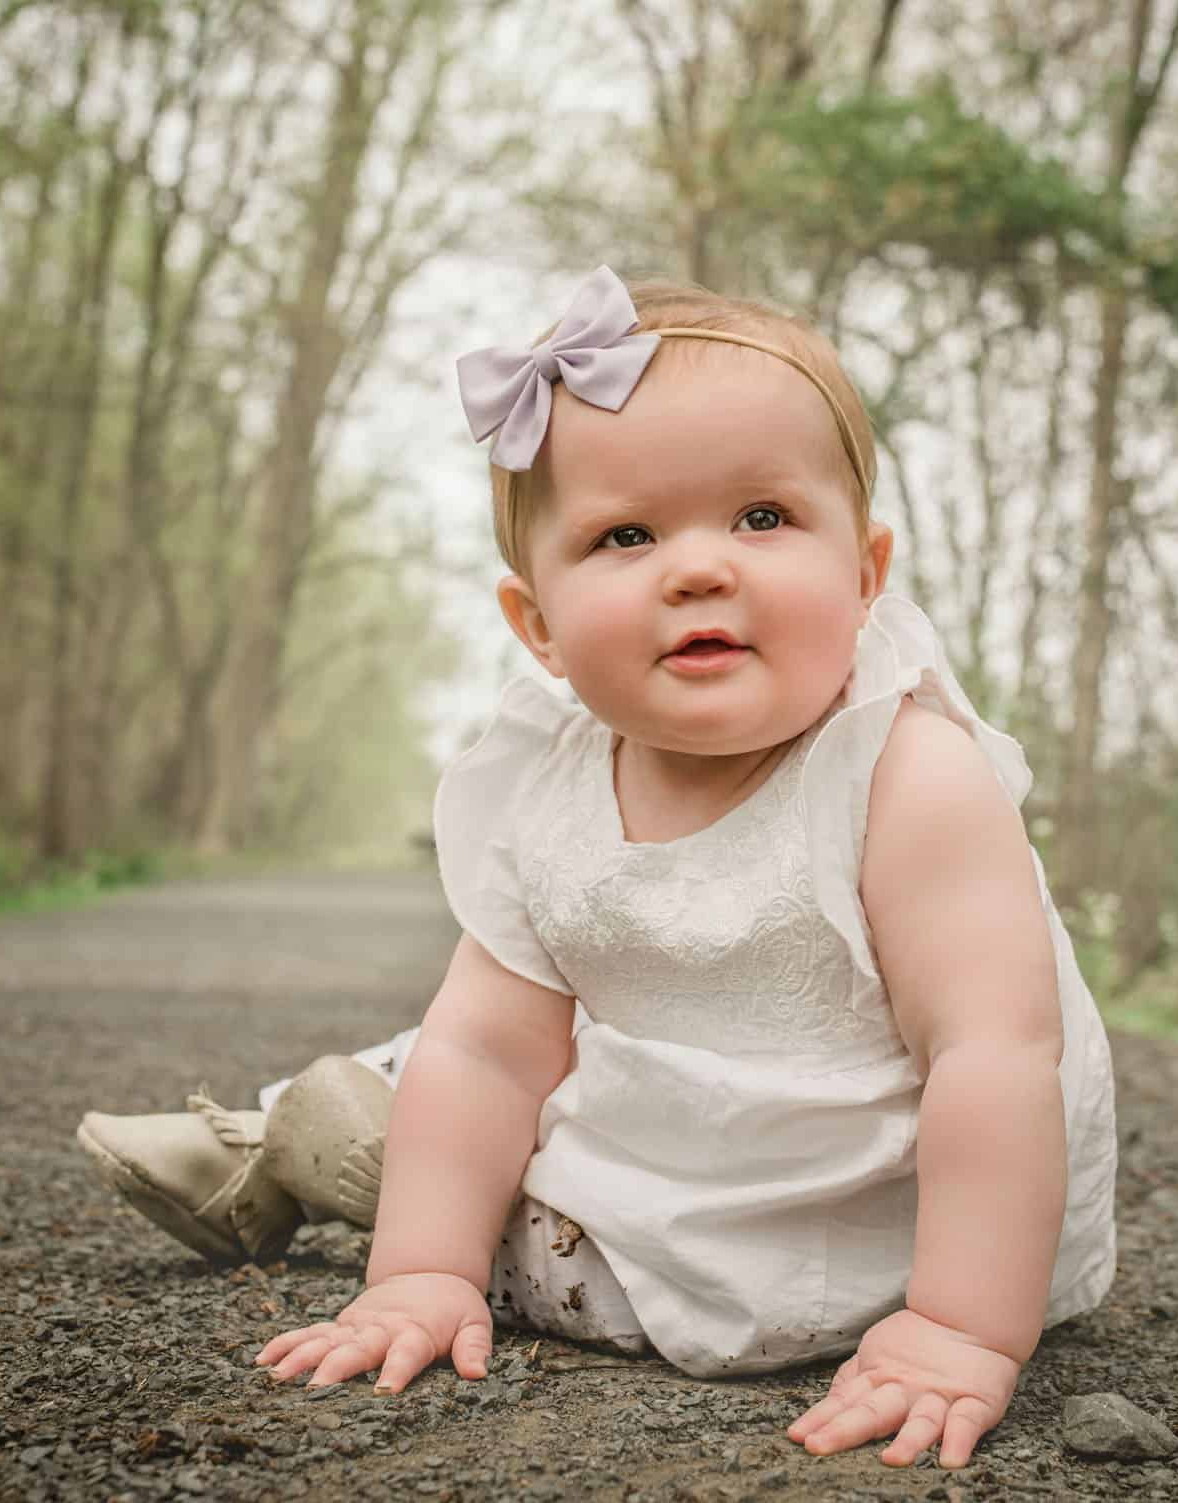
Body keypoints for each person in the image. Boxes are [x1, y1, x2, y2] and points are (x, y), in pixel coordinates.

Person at [75, 266, 1118, 1469]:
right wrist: (420, 1274)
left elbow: (994, 1056)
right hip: (673, 1131)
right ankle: (296, 1135)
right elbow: (488, 1050)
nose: (699, 568)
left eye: (763, 518)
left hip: (881, 1228)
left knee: (511, 1197)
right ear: (540, 627)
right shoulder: (550, 788)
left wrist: (958, 1327)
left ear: (866, 573)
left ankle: (322, 1139)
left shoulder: (908, 776)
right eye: (626, 535)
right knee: (458, 1059)